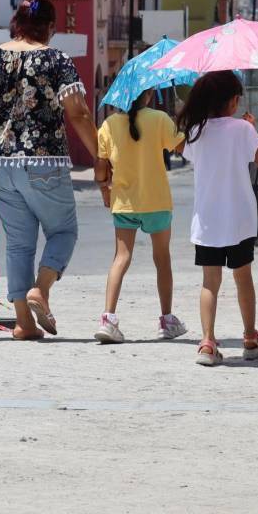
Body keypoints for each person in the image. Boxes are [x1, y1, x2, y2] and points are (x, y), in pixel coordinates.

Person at [0, 0, 100, 341]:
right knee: (63, 232)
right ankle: (41, 289)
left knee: (18, 243)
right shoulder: (57, 59)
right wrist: (100, 156)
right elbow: (78, 112)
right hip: (43, 159)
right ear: (50, 28)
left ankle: (23, 323)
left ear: (17, 24)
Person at [177, 70, 258, 367]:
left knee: (209, 282)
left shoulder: (196, 131)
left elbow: (188, 153)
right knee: (243, 279)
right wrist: (253, 130)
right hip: (240, 219)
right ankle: (250, 337)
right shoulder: (242, 130)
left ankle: (207, 341)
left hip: (207, 221)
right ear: (232, 100)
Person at [94, 88, 188, 344]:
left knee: (121, 258)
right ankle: (167, 320)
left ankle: (108, 319)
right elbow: (181, 147)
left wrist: (104, 189)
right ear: (147, 95)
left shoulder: (110, 124)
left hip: (124, 203)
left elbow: (100, 167)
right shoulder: (159, 119)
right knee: (162, 259)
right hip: (156, 202)